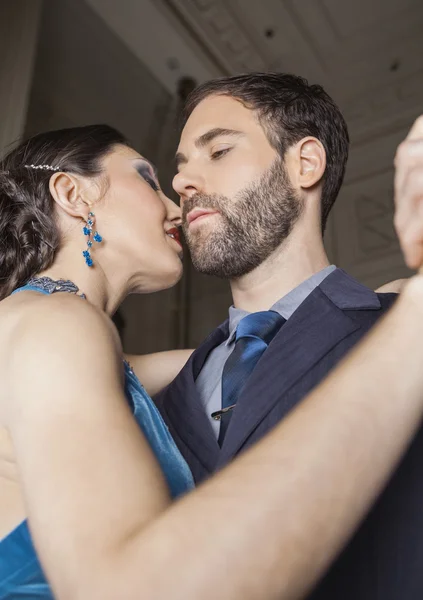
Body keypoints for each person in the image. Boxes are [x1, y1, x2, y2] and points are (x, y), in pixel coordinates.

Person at [0, 124, 421, 600]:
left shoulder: (62, 339)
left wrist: (385, 301)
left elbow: (258, 346)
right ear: (72, 192)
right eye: (148, 178)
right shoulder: (57, 322)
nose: (175, 205)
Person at [155, 72, 423, 599]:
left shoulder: (403, 327)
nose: (182, 184)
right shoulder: (154, 396)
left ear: (305, 163)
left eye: (219, 150)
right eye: (181, 168)